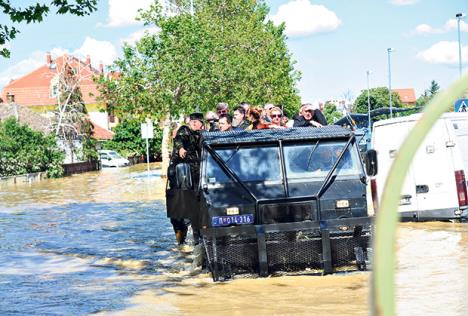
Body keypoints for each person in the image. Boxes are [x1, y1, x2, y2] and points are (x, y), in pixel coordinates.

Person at [166, 112, 205, 245]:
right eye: (194, 121)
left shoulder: (199, 134)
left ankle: (196, 240)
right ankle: (181, 241)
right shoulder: (185, 130)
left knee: (194, 210)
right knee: (179, 214)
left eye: (200, 122)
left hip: (194, 179)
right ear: (192, 122)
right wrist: (181, 148)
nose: (197, 124)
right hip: (180, 178)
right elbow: (179, 140)